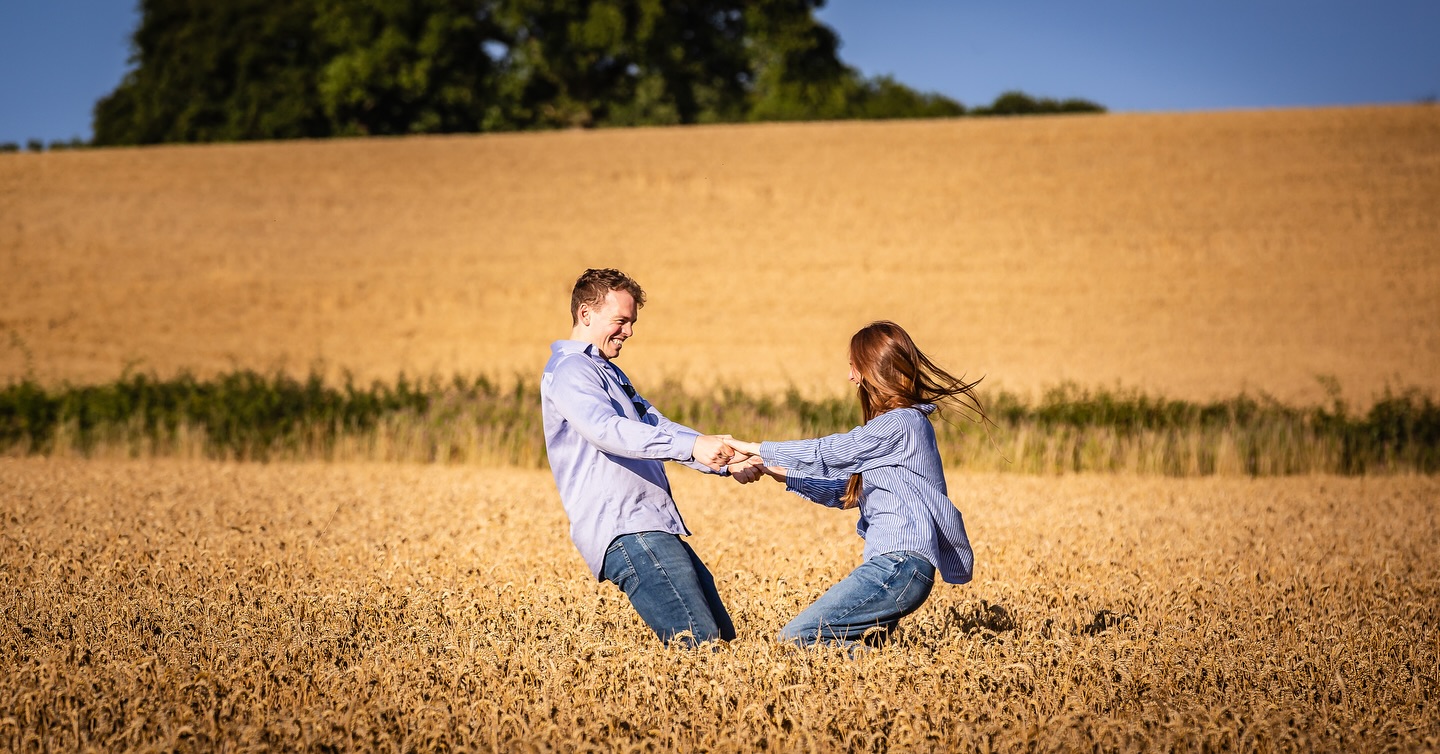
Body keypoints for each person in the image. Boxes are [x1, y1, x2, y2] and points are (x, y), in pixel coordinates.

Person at [724, 321, 990, 649]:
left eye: (854, 366)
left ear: (875, 368)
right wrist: (772, 469)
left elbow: (831, 452)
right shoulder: (894, 427)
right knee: (858, 652)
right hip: (897, 565)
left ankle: (902, 677)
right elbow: (845, 491)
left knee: (798, 639)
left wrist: (757, 447)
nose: (851, 376)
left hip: (899, 564)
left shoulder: (901, 423)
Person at [540, 268, 760, 647]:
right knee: (700, 642)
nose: (628, 332)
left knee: (722, 640)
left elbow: (659, 426)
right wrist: (693, 447)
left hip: (650, 525)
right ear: (586, 314)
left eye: (632, 322)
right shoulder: (570, 370)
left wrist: (721, 456)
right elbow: (607, 430)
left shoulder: (608, 372)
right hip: (626, 527)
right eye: (621, 321)